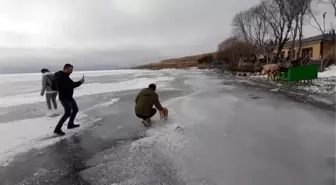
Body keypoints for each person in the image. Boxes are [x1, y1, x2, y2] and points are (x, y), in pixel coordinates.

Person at [54, 64, 84, 136]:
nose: (71, 72)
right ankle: (57, 129)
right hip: (64, 98)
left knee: (75, 109)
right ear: (66, 69)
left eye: (72, 70)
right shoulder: (61, 77)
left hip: (69, 97)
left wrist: (80, 82)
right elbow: (71, 85)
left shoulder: (65, 77)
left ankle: (70, 124)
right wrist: (80, 82)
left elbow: (71, 84)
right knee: (67, 113)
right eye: (70, 70)